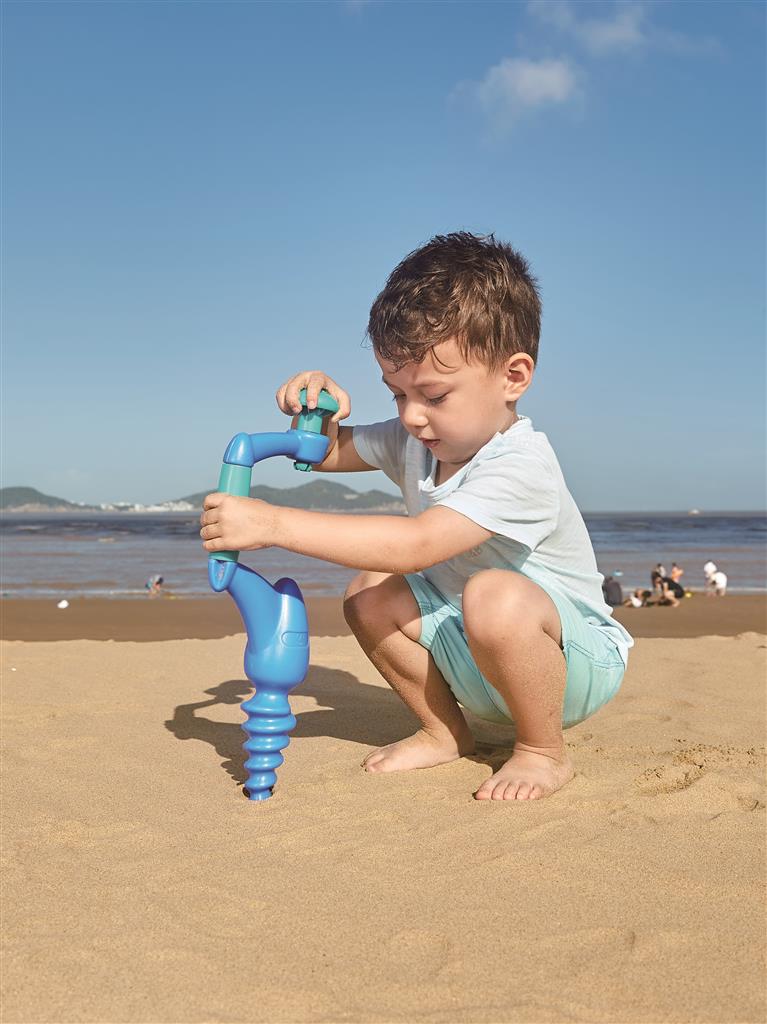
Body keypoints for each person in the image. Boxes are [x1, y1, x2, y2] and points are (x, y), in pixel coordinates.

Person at [200, 232, 634, 801]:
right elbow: (329, 452)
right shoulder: (418, 440)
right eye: (397, 394)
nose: (411, 417)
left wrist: (272, 525)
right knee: (368, 591)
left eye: (433, 394)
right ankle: (444, 729)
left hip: (568, 666)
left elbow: (416, 544)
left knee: (493, 594)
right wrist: (316, 410)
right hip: (475, 654)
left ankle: (541, 751)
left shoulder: (522, 464)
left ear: (514, 377)